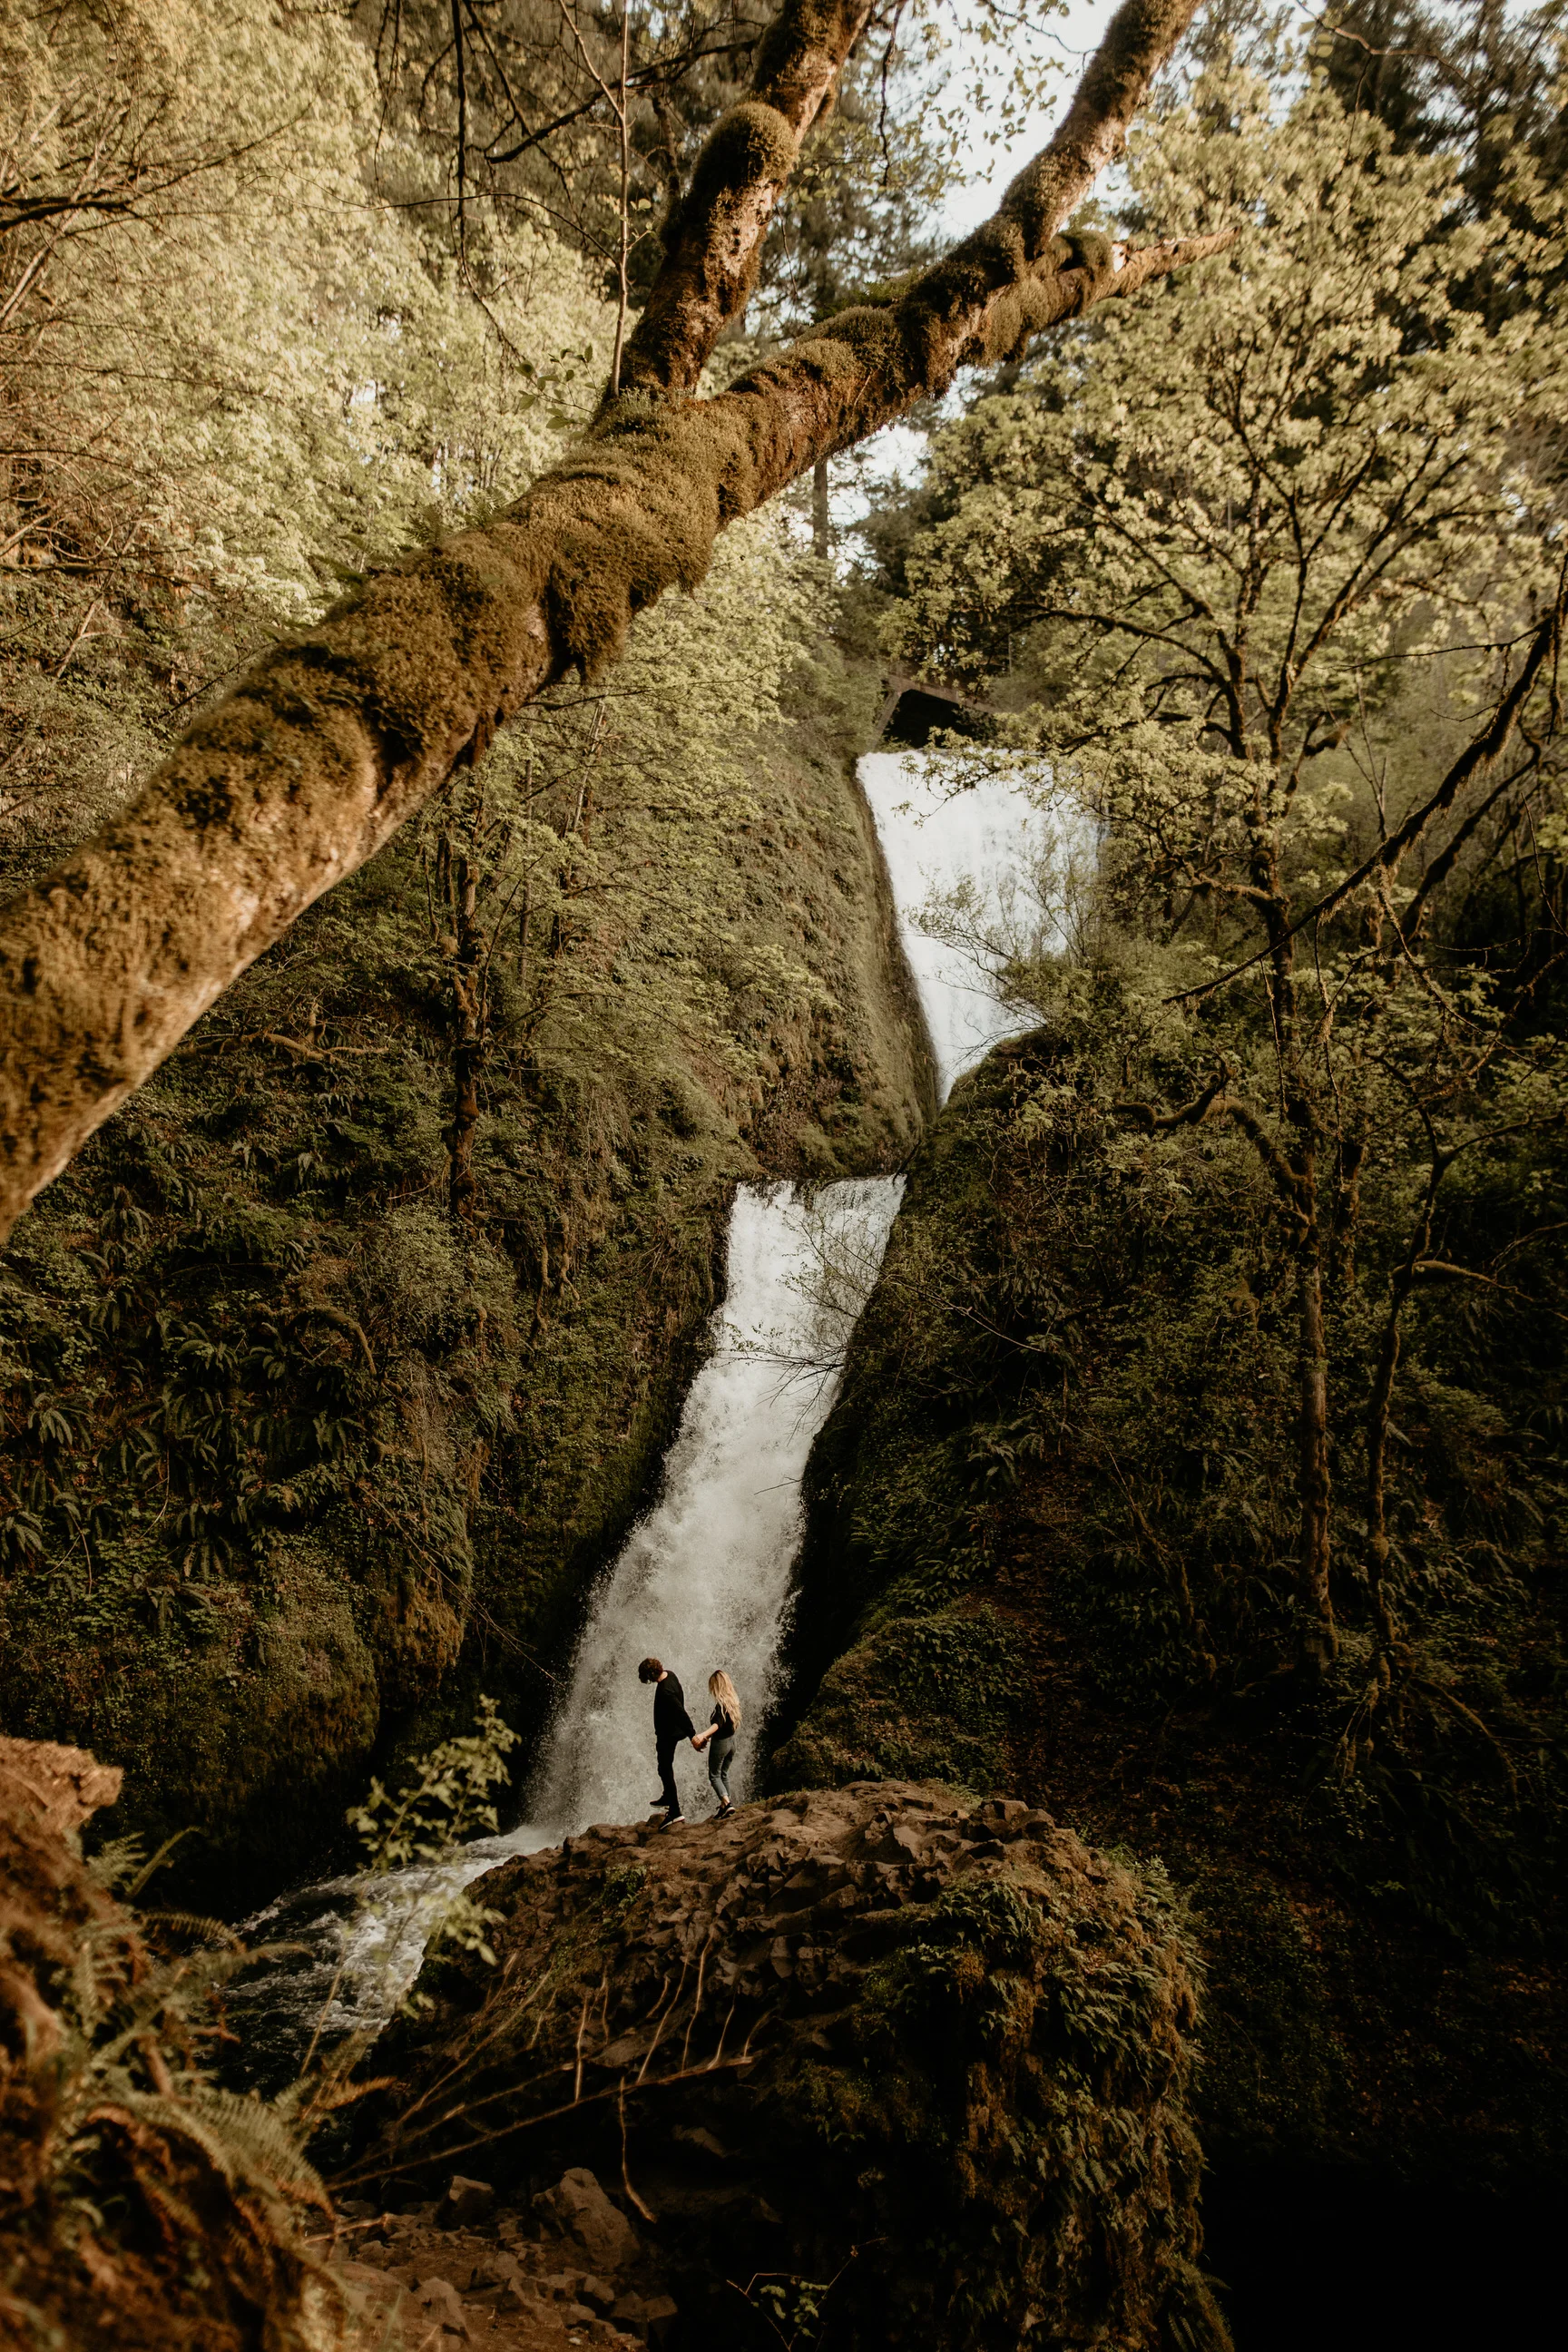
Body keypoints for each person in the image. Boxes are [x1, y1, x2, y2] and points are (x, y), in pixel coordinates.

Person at [638, 1655, 696, 1827]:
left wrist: (693, 1735)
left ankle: (675, 1812)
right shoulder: (670, 1674)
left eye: (648, 1679)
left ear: (651, 1675)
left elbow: (680, 1713)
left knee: (665, 1769)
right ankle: (667, 1796)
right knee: (663, 1767)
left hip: (669, 1734)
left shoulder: (665, 1691)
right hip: (670, 1732)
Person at [691, 1670, 742, 1816]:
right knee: (723, 1774)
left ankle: (727, 1803)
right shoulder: (733, 1702)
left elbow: (717, 1725)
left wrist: (703, 1735)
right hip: (732, 1743)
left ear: (716, 1686)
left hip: (721, 1744)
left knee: (714, 1775)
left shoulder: (720, 1705)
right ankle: (725, 1805)